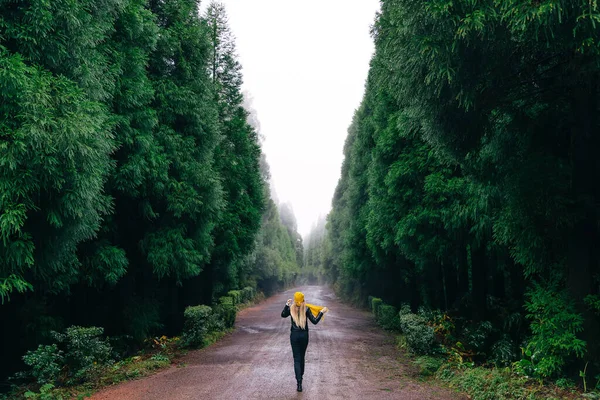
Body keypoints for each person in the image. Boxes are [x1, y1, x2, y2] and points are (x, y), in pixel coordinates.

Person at [281, 291, 329, 392]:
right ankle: (301, 379)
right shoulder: (306, 308)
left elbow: (283, 315)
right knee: (302, 357)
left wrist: (287, 304)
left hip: (294, 336)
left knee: (296, 359)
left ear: (294, 299)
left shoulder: (291, 308)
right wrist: (321, 312)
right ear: (303, 299)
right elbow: (315, 321)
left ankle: (299, 383)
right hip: (304, 336)